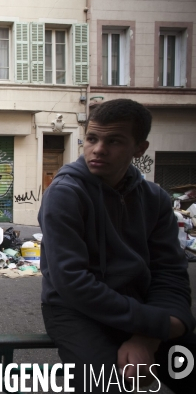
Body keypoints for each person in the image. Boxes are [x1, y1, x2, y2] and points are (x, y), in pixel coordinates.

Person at [39, 98, 196, 393]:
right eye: (92, 138)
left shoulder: (156, 199)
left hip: (142, 305)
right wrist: (158, 325)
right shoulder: (65, 193)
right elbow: (72, 282)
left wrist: (148, 336)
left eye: (114, 141)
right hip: (76, 312)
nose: (98, 149)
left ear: (140, 149)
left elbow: (170, 273)